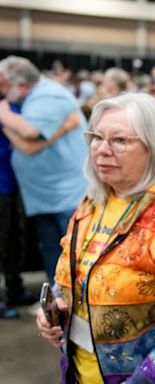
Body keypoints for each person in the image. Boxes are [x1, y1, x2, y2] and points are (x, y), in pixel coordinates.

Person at [35, 93, 155, 383]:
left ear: (154, 147)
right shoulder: (96, 198)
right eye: (96, 137)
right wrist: (54, 308)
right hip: (81, 371)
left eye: (119, 140)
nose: (102, 150)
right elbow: (72, 273)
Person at [0, 56, 88, 286]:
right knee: (52, 251)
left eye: (4, 85)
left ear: (21, 84)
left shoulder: (50, 95)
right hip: (46, 194)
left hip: (66, 195)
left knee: (75, 253)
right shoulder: (31, 98)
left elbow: (29, 136)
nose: (2, 90)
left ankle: (79, 309)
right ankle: (56, 304)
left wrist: (4, 116)